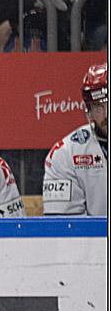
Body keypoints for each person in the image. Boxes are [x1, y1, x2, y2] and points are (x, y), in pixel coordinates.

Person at [43, 63, 108, 216]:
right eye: (99, 106)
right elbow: (66, 228)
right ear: (89, 109)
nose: (106, 115)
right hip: (94, 240)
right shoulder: (66, 154)